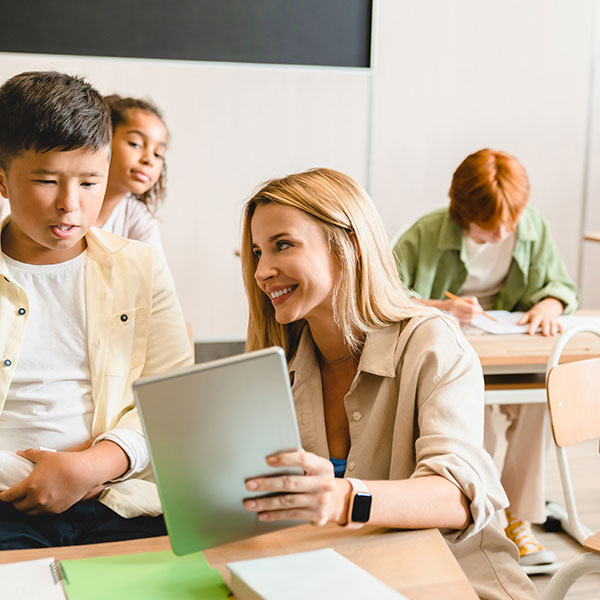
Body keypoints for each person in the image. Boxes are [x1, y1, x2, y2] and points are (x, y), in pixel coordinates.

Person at [239, 168, 537, 599]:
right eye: (256, 252)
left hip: (452, 582)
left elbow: (456, 498)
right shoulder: (276, 362)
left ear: (351, 245)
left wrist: (343, 499)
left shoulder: (433, 342)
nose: (263, 270)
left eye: (282, 245)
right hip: (338, 580)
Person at [0, 71, 192, 549]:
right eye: (46, 181)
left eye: (90, 182)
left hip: (120, 500)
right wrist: (32, 474)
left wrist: (94, 464)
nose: (70, 205)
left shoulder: (140, 267)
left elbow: (172, 398)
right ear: (2, 179)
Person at [392, 148, 578, 570]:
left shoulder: (530, 226)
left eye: (510, 222)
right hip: (451, 361)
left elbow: (561, 285)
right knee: (472, 421)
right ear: (462, 212)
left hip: (510, 356)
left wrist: (550, 303)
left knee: (542, 407)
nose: (503, 233)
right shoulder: (424, 234)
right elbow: (383, 297)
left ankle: (519, 518)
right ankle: (480, 516)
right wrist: (439, 306)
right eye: (489, 226)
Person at [95, 94, 169, 263]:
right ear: (103, 138)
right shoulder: (69, 203)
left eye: (158, 154)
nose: (149, 160)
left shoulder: (137, 217)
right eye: (135, 144)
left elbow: (156, 283)